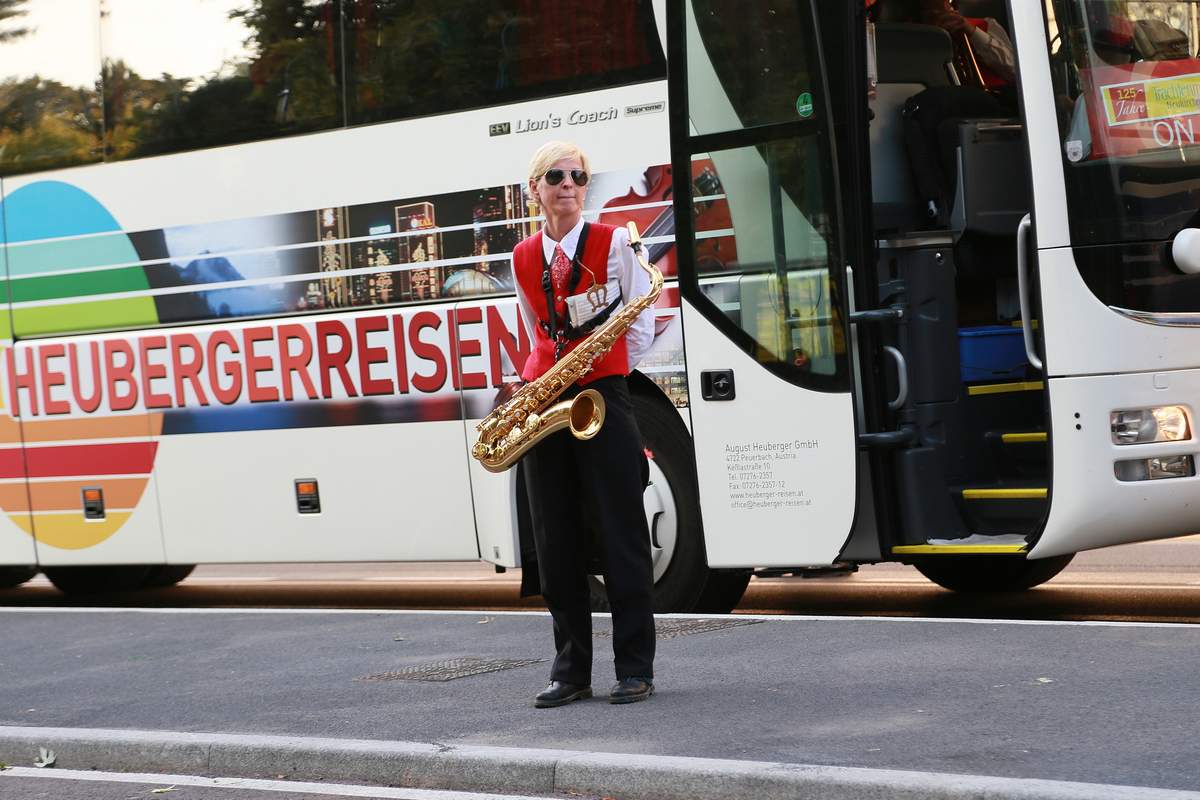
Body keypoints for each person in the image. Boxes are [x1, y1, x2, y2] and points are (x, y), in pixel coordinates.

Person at [513, 140, 656, 708]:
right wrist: (535, 388)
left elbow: (640, 318)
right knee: (555, 539)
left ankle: (635, 668)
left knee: (621, 532)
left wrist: (606, 371)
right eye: (555, 175)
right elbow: (535, 331)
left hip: (603, 395)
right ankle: (570, 669)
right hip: (549, 404)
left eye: (577, 175)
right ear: (537, 190)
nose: (568, 183)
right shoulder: (523, 256)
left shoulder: (616, 241)